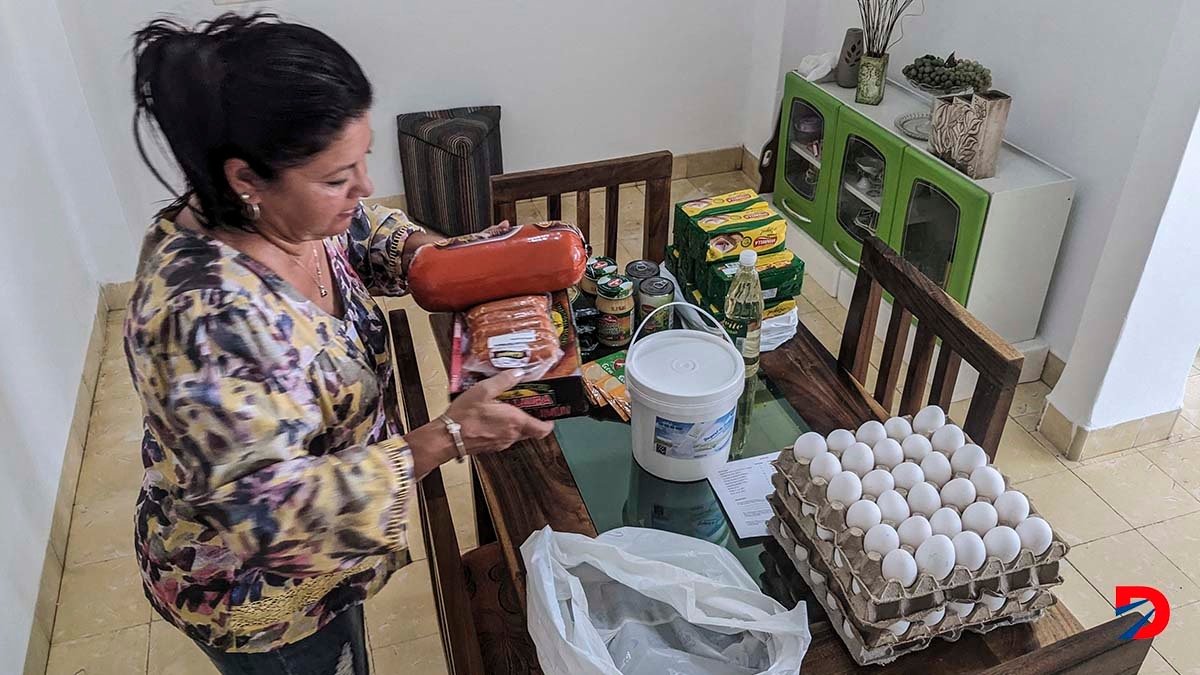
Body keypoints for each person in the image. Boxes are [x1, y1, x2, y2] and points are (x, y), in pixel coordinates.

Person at [125, 13, 552, 675]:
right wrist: (448, 436)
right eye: (336, 177)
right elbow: (275, 519)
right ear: (247, 178)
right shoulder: (204, 320)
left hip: (327, 563)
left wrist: (436, 257)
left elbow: (363, 230)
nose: (363, 188)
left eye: (362, 161)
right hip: (255, 591)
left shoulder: (277, 212)